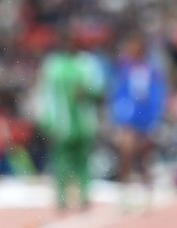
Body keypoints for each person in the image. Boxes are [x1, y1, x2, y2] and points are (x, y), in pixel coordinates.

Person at [35, 22, 105, 211]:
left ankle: (84, 196)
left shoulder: (87, 63)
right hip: (61, 122)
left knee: (83, 161)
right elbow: (44, 94)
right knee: (60, 161)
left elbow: (101, 92)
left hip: (83, 121)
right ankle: (61, 197)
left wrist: (87, 92)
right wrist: (45, 120)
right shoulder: (53, 65)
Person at [108, 31, 167, 210]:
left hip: (146, 121)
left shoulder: (151, 70)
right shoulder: (124, 69)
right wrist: (118, 117)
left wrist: (155, 119)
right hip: (128, 122)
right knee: (125, 155)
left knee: (142, 159)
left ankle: (146, 194)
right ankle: (124, 195)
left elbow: (157, 95)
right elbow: (117, 94)